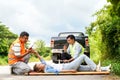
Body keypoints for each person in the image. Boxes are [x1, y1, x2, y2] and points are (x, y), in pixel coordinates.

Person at [33, 52, 111, 74]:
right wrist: (70, 71)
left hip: (67, 65)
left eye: (39, 63)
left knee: (87, 68)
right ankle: (96, 68)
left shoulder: (45, 65)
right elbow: (58, 71)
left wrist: (36, 53)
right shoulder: (47, 70)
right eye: (39, 65)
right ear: (39, 69)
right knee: (83, 56)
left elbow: (42, 60)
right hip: (67, 68)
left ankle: (105, 68)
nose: (41, 64)